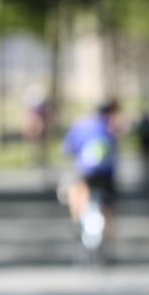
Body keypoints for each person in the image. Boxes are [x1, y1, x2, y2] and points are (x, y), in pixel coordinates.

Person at [62, 98, 121, 230]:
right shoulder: (111, 127)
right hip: (107, 174)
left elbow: (68, 147)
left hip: (86, 172)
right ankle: (110, 235)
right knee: (109, 206)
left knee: (78, 194)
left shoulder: (81, 126)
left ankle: (76, 223)